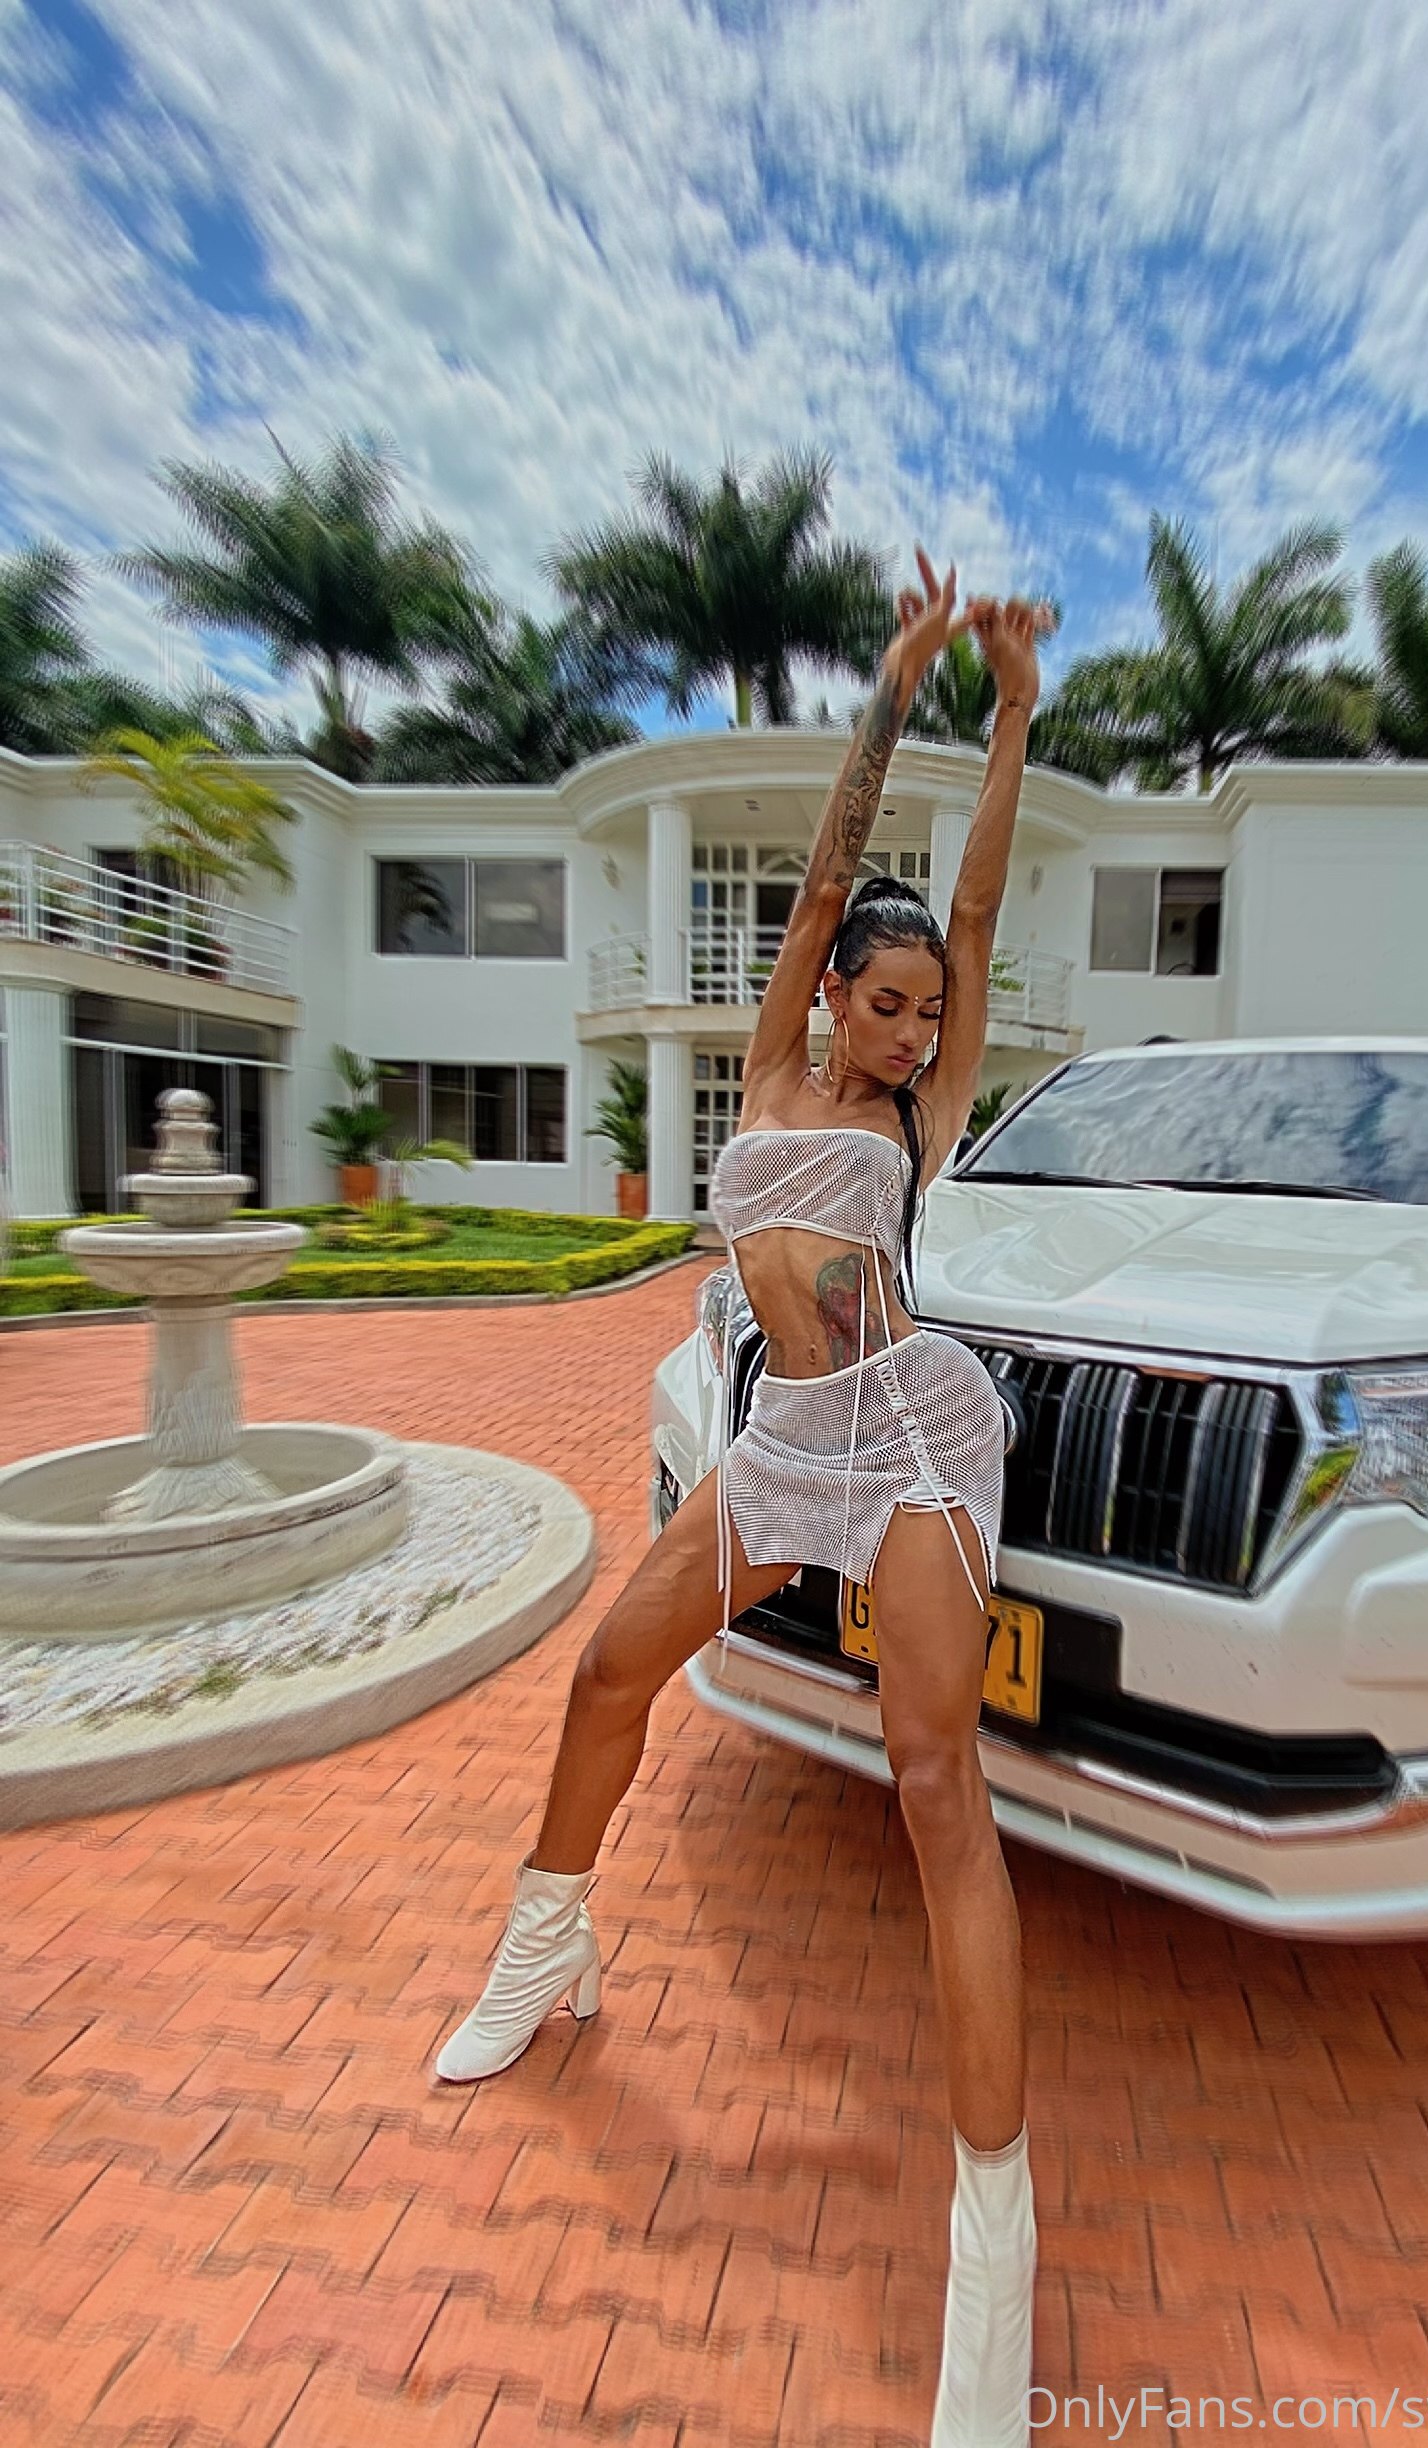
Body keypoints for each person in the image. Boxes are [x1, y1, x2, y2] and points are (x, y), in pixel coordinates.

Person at [434, 552, 1048, 2447]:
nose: (912, 1029)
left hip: (915, 1437)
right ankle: (546, 1948)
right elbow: (839, 861)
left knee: (933, 1780)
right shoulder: (777, 1068)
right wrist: (898, 680)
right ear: (830, 992)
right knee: (606, 1672)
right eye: (887, 1002)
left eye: (929, 1012)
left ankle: (994, 2246)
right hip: (785, 1442)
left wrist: (1012, 715)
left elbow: (968, 894)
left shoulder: (915, 1117)